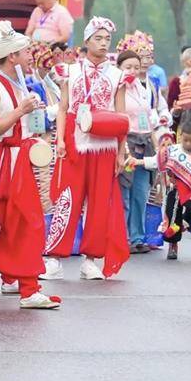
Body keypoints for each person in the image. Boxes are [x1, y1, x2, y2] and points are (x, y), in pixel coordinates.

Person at [43, 17, 131, 281]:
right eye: (98, 38)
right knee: (67, 199)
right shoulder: (69, 71)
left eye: (107, 39)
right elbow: (63, 108)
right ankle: (55, 257)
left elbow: (122, 117)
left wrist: (121, 152)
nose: (103, 43)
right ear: (86, 40)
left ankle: (90, 259)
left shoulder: (117, 75)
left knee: (99, 202)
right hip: (74, 142)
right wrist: (59, 140)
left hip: (105, 146)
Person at [0, 21, 58, 310]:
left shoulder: (18, 83)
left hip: (17, 162)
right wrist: (20, 110)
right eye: (26, 52)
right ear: (12, 56)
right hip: (0, 164)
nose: (30, 57)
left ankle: (22, 284)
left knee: (22, 223)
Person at [115, 43, 171, 253]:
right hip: (126, 143)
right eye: (128, 67)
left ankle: (137, 237)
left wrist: (156, 146)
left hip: (145, 142)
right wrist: (121, 149)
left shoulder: (144, 88)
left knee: (141, 192)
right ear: (119, 67)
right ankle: (122, 238)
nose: (133, 71)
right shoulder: (116, 88)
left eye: (136, 67)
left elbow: (148, 118)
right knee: (124, 193)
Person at [157, 118, 191, 260]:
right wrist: (140, 161)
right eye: (185, 140)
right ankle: (173, 244)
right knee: (173, 216)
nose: (188, 144)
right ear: (180, 136)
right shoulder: (173, 151)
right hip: (174, 189)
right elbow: (156, 161)